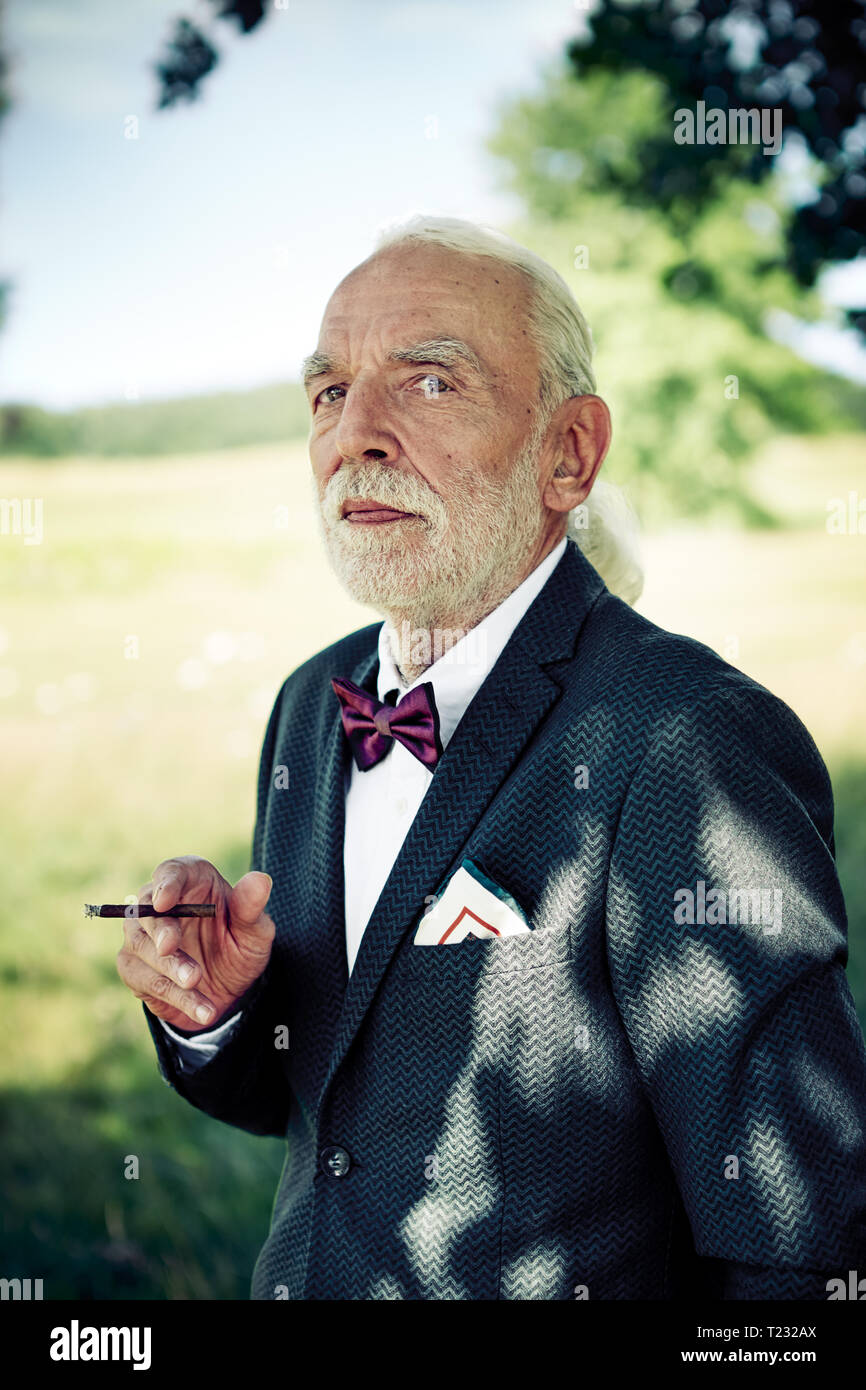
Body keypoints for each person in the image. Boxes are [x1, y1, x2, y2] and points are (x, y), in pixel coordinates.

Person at [117, 215, 866, 1300]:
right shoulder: (309, 708)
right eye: (328, 393)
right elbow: (324, 1112)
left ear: (568, 454)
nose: (356, 434)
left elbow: (798, 1232)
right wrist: (215, 1009)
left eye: (427, 384)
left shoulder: (687, 738)